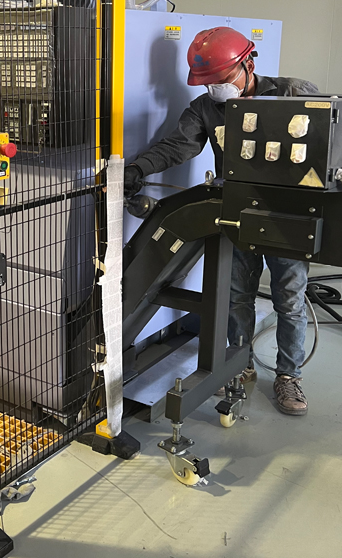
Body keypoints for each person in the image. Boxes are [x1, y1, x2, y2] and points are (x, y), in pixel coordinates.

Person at [124, 26, 319, 416]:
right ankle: (239, 363)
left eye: (222, 79)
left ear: (249, 64)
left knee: (289, 299)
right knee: (237, 295)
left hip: (288, 215)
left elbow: (333, 138)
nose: (216, 89)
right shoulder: (205, 109)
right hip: (237, 213)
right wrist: (138, 167)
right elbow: (178, 146)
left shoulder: (294, 94)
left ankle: (289, 376)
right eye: (209, 83)